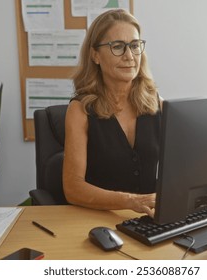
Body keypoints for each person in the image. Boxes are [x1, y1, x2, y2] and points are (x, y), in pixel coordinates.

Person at [62, 9, 161, 217]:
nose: (129, 56)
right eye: (117, 46)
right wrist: (130, 201)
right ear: (95, 55)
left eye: (135, 46)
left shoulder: (155, 104)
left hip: (149, 220)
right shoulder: (80, 110)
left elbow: (179, 168)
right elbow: (72, 188)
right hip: (98, 220)